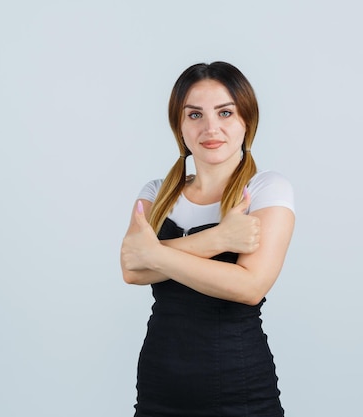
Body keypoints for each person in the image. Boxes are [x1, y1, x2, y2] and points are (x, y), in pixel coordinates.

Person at [120, 61, 295, 417]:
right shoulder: (156, 193)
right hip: (158, 387)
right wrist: (220, 238)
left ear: (247, 121)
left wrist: (152, 254)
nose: (210, 127)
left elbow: (249, 287)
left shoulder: (265, 190)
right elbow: (130, 269)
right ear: (179, 126)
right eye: (195, 115)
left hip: (239, 389)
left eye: (225, 112)